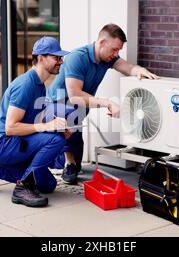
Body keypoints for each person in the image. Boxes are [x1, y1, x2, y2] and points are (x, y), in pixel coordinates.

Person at [46, 23, 159, 184]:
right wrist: (108, 103)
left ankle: (73, 163)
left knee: (75, 134)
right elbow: (74, 96)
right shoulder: (77, 57)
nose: (116, 54)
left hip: (80, 103)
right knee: (69, 121)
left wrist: (139, 71)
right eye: (114, 49)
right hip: (57, 102)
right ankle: (68, 163)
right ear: (101, 42)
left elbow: (127, 67)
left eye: (118, 50)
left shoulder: (108, 58)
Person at [0, 36, 70, 208]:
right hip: (2, 143)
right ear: (41, 58)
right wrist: (48, 128)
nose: (61, 61)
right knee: (55, 140)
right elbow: (11, 127)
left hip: (17, 141)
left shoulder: (41, 85)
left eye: (61, 57)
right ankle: (23, 188)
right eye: (57, 57)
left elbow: (35, 119)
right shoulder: (26, 84)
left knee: (48, 185)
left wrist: (55, 125)